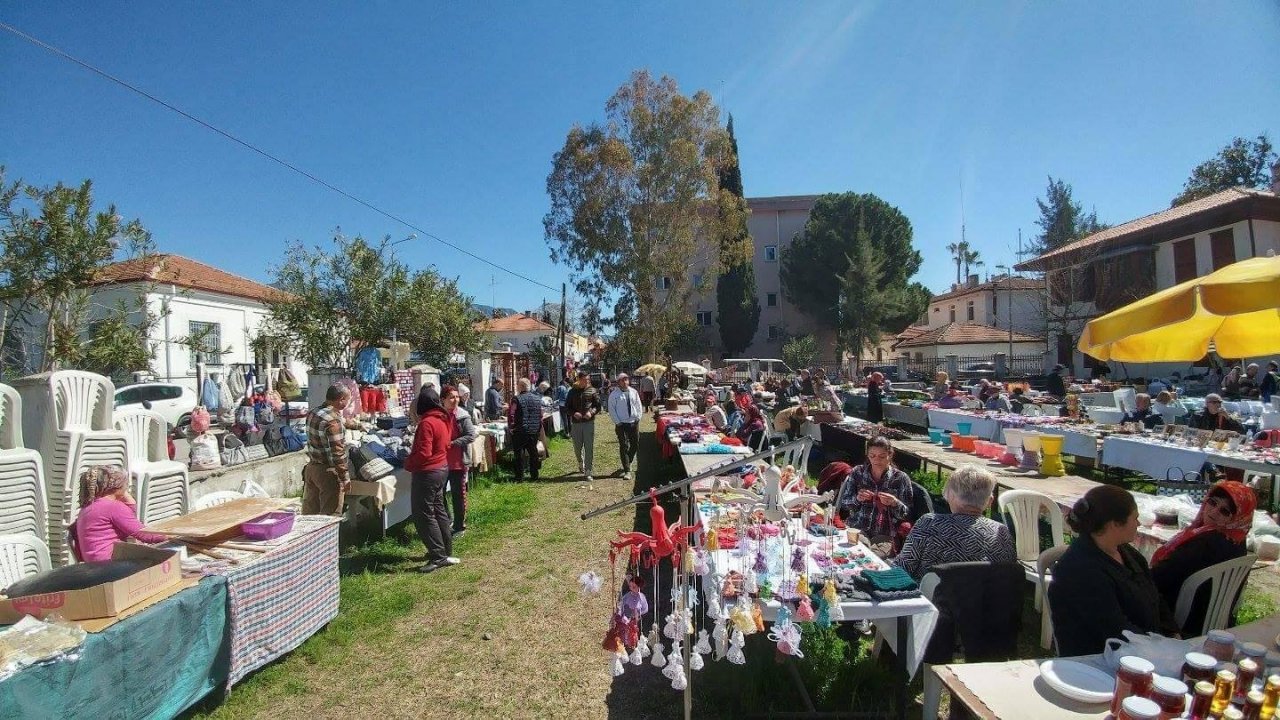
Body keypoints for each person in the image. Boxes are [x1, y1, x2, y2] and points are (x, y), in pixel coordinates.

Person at [1048, 485, 1179, 656]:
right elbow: (1113, 630)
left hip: (1146, 650)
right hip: (1101, 661)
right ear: (1115, 524)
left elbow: (1155, 597)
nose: (1138, 524)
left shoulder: (1127, 553)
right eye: (1135, 518)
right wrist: (1162, 648)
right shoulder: (1079, 568)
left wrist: (1172, 633)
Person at [1151, 481, 1255, 636]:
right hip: (1215, 619)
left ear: (1237, 517)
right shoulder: (1238, 540)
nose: (1213, 512)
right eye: (1212, 502)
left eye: (1225, 511)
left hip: (1182, 621)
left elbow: (1157, 578)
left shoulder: (1204, 544)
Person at [894, 465, 1016, 580]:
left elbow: (903, 568)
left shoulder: (930, 523)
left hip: (932, 598)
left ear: (950, 495)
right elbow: (1008, 575)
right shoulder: (1002, 532)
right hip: (987, 600)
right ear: (989, 502)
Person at [405, 386, 458, 573]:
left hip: (427, 472)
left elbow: (423, 453)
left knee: (424, 515)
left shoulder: (427, 423)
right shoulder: (443, 418)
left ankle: (438, 555)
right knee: (439, 510)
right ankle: (444, 549)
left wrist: (409, 464)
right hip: (441, 468)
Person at [71, 466, 167, 562]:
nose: (127, 488)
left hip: (94, 565)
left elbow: (128, 521)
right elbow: (145, 534)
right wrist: (172, 536)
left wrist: (128, 500)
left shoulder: (90, 506)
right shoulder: (112, 507)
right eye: (125, 484)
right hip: (109, 565)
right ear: (116, 486)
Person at [834, 436, 914, 543]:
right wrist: (857, 499)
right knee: (857, 551)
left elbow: (908, 514)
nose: (876, 460)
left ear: (890, 455)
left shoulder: (901, 478)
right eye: (872, 456)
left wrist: (895, 503)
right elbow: (845, 503)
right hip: (858, 527)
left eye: (882, 456)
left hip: (886, 534)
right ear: (868, 455)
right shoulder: (858, 472)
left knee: (873, 557)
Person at [303, 384, 355, 515]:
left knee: (310, 513)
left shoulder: (313, 412)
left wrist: (356, 425)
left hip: (311, 468)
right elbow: (337, 452)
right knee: (330, 516)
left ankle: (309, 536)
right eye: (347, 400)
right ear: (341, 399)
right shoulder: (332, 420)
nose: (347, 404)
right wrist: (345, 478)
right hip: (327, 472)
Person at [442, 385, 477, 536]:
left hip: (458, 462)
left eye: (456, 397)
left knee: (458, 495)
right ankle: (446, 521)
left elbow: (471, 435)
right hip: (441, 463)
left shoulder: (462, 415)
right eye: (451, 397)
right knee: (439, 494)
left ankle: (459, 525)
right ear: (443, 400)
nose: (455, 400)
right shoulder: (439, 415)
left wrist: (453, 443)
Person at [566, 371, 601, 482]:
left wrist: (591, 412)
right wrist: (573, 413)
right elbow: (567, 407)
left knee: (589, 448)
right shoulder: (572, 392)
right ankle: (580, 462)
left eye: (588, 379)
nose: (587, 381)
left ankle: (588, 471)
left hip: (588, 423)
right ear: (579, 379)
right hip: (576, 424)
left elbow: (598, 406)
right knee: (577, 447)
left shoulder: (592, 390)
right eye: (585, 379)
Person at [608, 373, 643, 481]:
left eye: (626, 379)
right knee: (624, 446)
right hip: (621, 424)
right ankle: (627, 470)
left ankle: (629, 460)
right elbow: (611, 409)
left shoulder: (634, 392)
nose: (624, 381)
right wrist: (617, 422)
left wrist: (638, 416)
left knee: (635, 444)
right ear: (618, 382)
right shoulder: (614, 394)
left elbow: (638, 404)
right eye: (622, 380)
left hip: (633, 422)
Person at [511, 378, 544, 483]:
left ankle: (519, 477)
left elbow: (512, 414)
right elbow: (541, 415)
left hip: (520, 430)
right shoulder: (537, 398)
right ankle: (534, 475)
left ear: (520, 387)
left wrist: (512, 427)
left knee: (519, 455)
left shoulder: (516, 399)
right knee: (533, 453)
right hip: (533, 430)